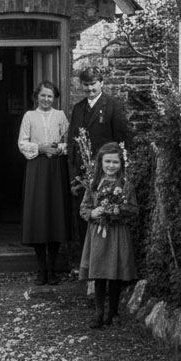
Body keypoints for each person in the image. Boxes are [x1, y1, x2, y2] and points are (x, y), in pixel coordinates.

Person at [67, 66, 129, 246]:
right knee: (83, 216)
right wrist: (73, 178)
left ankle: (104, 264)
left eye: (93, 84)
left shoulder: (113, 106)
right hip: (82, 176)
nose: (89, 89)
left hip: (106, 173)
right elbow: (72, 144)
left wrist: (119, 174)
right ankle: (85, 264)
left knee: (104, 217)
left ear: (101, 83)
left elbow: (122, 142)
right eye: (85, 85)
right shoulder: (78, 108)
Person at [18, 80, 72, 285]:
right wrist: (41, 149)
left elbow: (70, 140)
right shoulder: (29, 116)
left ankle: (53, 269)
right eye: (43, 95)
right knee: (38, 215)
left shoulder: (60, 116)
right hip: (37, 168)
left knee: (54, 214)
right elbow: (22, 142)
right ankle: (41, 269)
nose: (47, 99)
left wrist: (58, 148)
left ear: (54, 98)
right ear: (37, 96)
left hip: (56, 168)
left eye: (50, 96)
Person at [79, 141, 137, 329]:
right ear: (100, 163)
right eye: (107, 162)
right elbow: (84, 207)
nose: (111, 166)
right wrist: (92, 213)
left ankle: (113, 311)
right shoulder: (94, 184)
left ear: (121, 164)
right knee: (100, 272)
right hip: (98, 233)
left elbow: (133, 209)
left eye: (115, 162)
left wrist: (117, 210)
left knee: (114, 272)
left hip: (117, 233)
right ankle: (98, 312)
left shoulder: (125, 185)